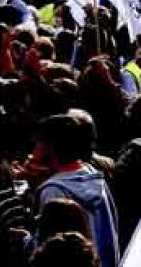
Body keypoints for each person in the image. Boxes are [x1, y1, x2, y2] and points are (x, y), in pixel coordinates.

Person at [29, 113, 119, 265]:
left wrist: (25, 241)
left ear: (49, 147)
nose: (33, 150)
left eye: (38, 143)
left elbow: (50, 250)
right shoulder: (95, 177)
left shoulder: (52, 191)